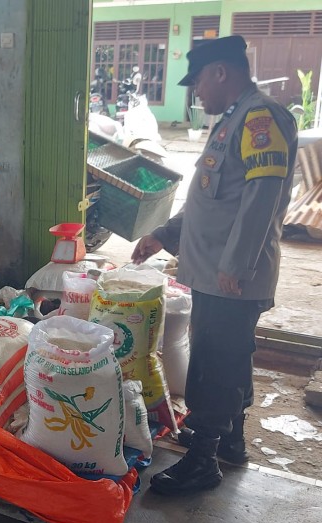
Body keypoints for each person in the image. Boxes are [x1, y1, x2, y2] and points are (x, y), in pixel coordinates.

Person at [131, 35, 298, 496]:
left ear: (221, 72)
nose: (197, 91)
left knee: (213, 364)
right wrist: (163, 235)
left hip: (231, 276)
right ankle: (230, 440)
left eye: (200, 80)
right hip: (216, 273)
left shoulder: (261, 118)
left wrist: (237, 264)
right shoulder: (234, 118)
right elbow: (211, 200)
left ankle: (203, 459)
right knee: (230, 357)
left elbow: (261, 198)